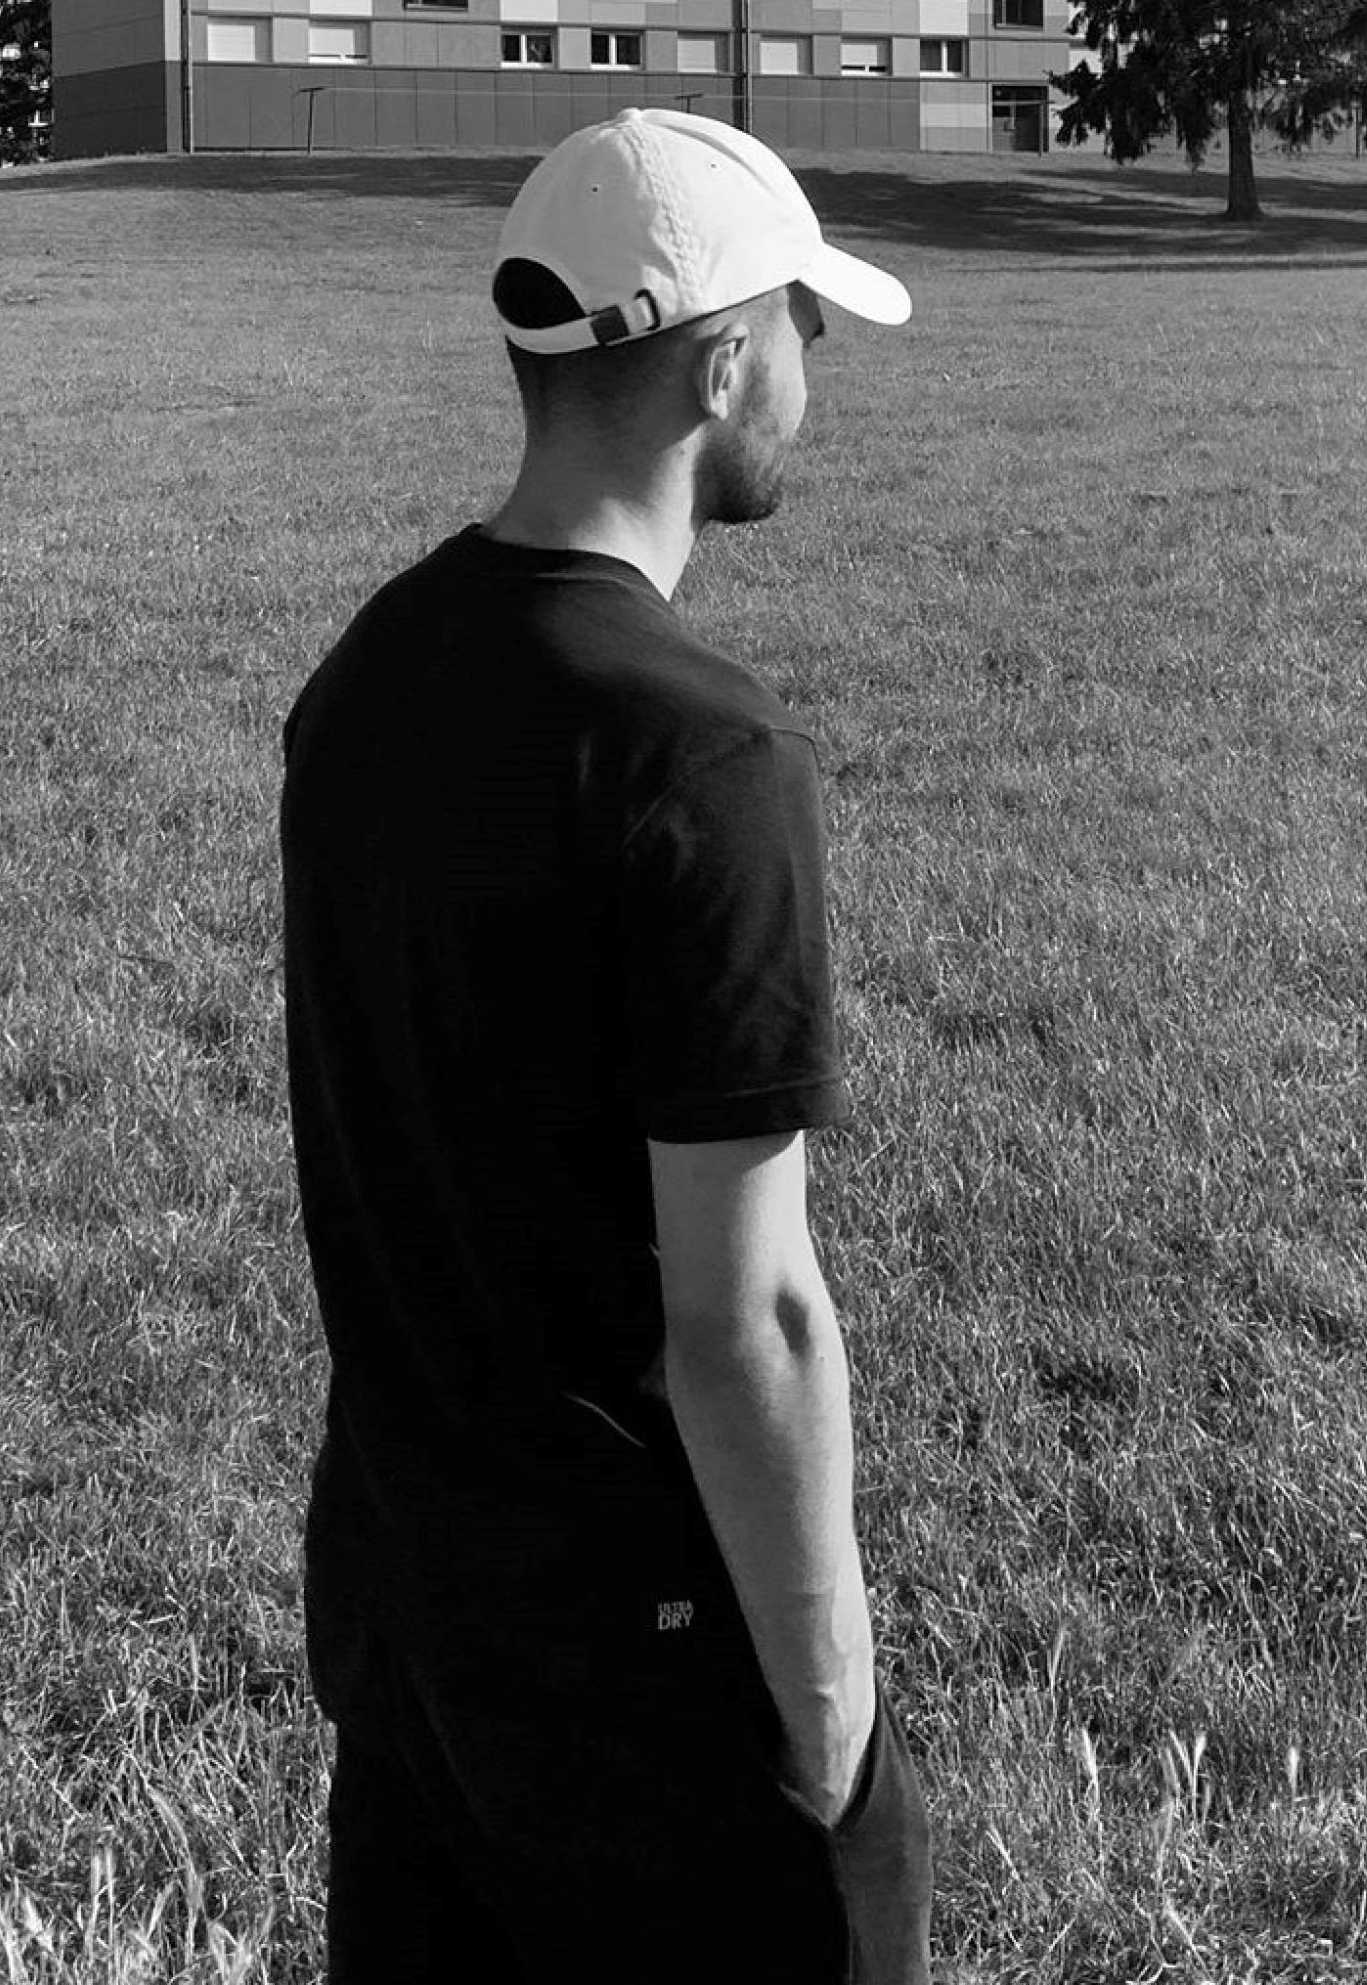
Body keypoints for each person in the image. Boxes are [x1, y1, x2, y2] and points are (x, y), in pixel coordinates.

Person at [280, 108, 933, 1982]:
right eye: (802, 324)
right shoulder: (698, 754)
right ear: (721, 365)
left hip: (409, 1608)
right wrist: (832, 1728)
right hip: (643, 1671)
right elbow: (751, 1319)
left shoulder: (368, 676)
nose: (815, 368)